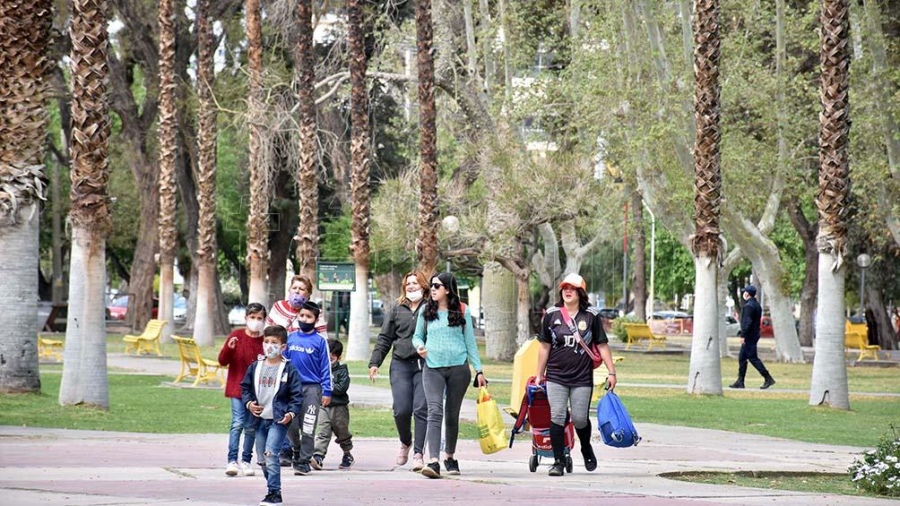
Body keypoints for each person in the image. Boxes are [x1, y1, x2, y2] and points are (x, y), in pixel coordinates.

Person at [535, 273, 617, 477]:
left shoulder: (591, 316)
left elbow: (602, 345)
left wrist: (612, 372)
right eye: (565, 288)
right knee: (557, 415)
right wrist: (539, 374)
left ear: (580, 293)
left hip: (581, 377)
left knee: (580, 418)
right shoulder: (552, 315)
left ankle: (586, 448)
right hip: (556, 375)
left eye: (572, 288)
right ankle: (558, 461)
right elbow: (544, 347)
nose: (568, 291)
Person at [412, 272, 487, 479]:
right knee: (435, 411)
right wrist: (419, 346)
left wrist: (479, 370)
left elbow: (470, 343)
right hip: (432, 368)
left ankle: (450, 457)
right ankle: (433, 461)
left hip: (458, 369)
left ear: (447, 289)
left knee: (452, 414)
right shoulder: (426, 310)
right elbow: (417, 336)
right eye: (432, 285)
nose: (433, 289)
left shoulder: (463, 310)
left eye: (437, 286)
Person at [368, 271, 429, 471]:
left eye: (415, 283)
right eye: (408, 283)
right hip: (400, 364)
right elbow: (385, 338)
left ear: (423, 286)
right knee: (401, 409)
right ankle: (405, 441)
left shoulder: (431, 308)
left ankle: (419, 454)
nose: (411, 286)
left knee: (421, 408)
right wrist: (375, 362)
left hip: (424, 365)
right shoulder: (397, 309)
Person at [240, 325, 303, 506]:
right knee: (262, 459)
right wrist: (249, 403)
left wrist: (290, 413)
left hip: (278, 420)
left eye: (274, 342)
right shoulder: (255, 367)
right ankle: (272, 485)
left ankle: (274, 493)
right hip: (259, 420)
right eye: (266, 341)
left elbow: (297, 395)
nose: (269, 346)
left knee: (271, 454)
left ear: (283, 346)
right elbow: (245, 388)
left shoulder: (288, 369)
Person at [282, 300, 332, 475]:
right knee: (290, 424)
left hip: (312, 389)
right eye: (302, 315)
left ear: (315, 320)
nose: (304, 319)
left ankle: (303, 460)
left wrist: (327, 391)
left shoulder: (320, 341)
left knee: (309, 426)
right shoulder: (290, 338)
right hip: (291, 389)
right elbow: (282, 362)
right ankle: (296, 449)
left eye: (309, 316)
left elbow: (326, 367)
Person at [218, 302, 267, 477]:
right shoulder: (236, 336)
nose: (255, 321)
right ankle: (232, 460)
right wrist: (229, 349)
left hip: (256, 392)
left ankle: (246, 460)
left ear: (264, 320)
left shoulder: (265, 341)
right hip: (237, 389)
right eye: (252, 317)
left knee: (251, 427)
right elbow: (222, 361)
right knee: (237, 423)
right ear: (246, 318)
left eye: (259, 318)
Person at [311, 339, 354, 470]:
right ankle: (318, 456)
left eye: (332, 357)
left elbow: (341, 388)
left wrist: (326, 386)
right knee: (323, 431)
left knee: (342, 432)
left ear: (338, 358)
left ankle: (347, 453)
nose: (329, 360)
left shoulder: (342, 371)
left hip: (339, 407)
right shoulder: (318, 370)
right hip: (323, 406)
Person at [729, 285, 776, 390]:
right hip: (754, 334)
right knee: (742, 358)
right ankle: (740, 381)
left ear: (747, 294)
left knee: (752, 358)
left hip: (749, 336)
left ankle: (767, 377)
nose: (743, 294)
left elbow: (747, 322)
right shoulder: (756, 305)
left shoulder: (748, 306)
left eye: (745, 292)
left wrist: (743, 335)